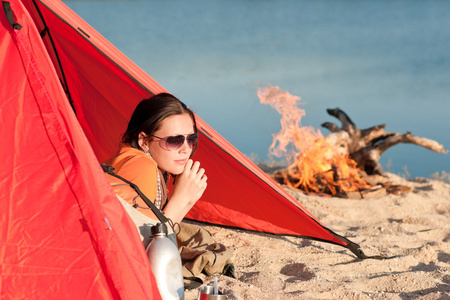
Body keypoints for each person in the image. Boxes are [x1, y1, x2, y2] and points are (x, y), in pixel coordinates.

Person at [102, 93, 207, 224]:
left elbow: (167, 230)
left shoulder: (157, 168)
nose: (186, 149)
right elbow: (144, 240)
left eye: (191, 139)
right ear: (144, 142)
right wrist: (181, 198)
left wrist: (189, 199)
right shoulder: (141, 167)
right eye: (174, 140)